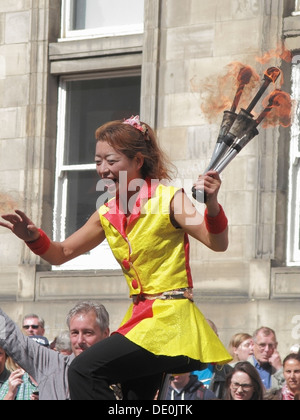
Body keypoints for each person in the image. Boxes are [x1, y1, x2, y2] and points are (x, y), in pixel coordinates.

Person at [0, 116, 232, 400]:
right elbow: (61, 254)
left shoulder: (170, 200)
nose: (103, 170)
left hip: (170, 321)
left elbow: (216, 243)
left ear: (137, 161)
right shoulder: (106, 213)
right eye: (98, 162)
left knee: (83, 370)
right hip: (139, 321)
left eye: (111, 160)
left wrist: (212, 205)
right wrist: (33, 238)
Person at [0, 301, 110, 399]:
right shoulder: (51, 365)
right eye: (75, 333)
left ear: (105, 334)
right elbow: (10, 334)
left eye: (88, 333)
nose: (80, 340)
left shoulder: (119, 373)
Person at [192, 319, 233, 399]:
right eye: (199, 336)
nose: (204, 340)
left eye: (208, 335)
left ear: (216, 337)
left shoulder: (227, 372)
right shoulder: (180, 370)